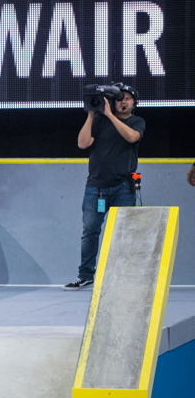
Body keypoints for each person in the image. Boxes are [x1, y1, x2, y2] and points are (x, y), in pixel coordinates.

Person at [65, 84, 144, 290]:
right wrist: (91, 115)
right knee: (90, 231)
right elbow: (82, 143)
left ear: (134, 103)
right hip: (96, 187)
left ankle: (122, 277)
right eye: (119, 98)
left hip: (123, 187)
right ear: (112, 101)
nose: (123, 102)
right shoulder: (99, 120)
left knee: (124, 232)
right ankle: (85, 275)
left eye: (127, 98)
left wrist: (110, 115)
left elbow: (132, 137)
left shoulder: (137, 122)